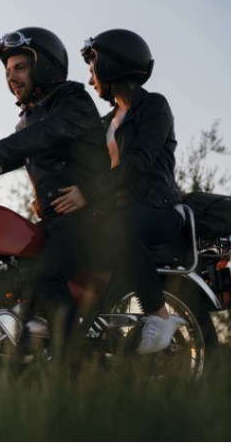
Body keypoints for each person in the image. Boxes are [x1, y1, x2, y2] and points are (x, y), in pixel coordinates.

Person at [0, 26, 110, 360]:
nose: (12, 77)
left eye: (19, 67)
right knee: (6, 269)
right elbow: (4, 160)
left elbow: (40, 138)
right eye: (7, 71)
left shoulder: (72, 100)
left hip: (91, 218)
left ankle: (67, 366)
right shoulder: (27, 120)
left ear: (43, 65)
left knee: (45, 275)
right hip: (54, 221)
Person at [51, 28, 186, 354]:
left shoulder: (154, 107)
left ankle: (158, 314)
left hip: (160, 208)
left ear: (111, 64)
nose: (90, 77)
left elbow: (139, 162)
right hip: (120, 211)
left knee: (118, 226)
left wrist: (88, 193)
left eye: (92, 66)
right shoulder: (104, 123)